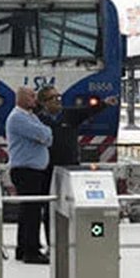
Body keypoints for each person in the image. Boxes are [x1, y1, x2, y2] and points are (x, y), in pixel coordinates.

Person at [36, 86, 117, 244]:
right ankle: (52, 243)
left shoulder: (69, 115)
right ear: (44, 103)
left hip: (70, 168)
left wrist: (105, 103)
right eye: (53, 98)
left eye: (58, 97)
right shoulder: (38, 120)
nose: (58, 100)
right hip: (47, 169)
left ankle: (72, 242)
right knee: (49, 207)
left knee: (72, 204)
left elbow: (88, 111)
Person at [6, 86, 53, 264]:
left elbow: (47, 136)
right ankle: (31, 251)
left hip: (33, 170)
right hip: (26, 170)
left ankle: (23, 247)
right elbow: (44, 134)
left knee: (28, 211)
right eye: (32, 96)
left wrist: (46, 134)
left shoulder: (30, 116)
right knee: (31, 212)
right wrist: (46, 133)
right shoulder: (18, 118)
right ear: (22, 99)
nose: (35, 99)